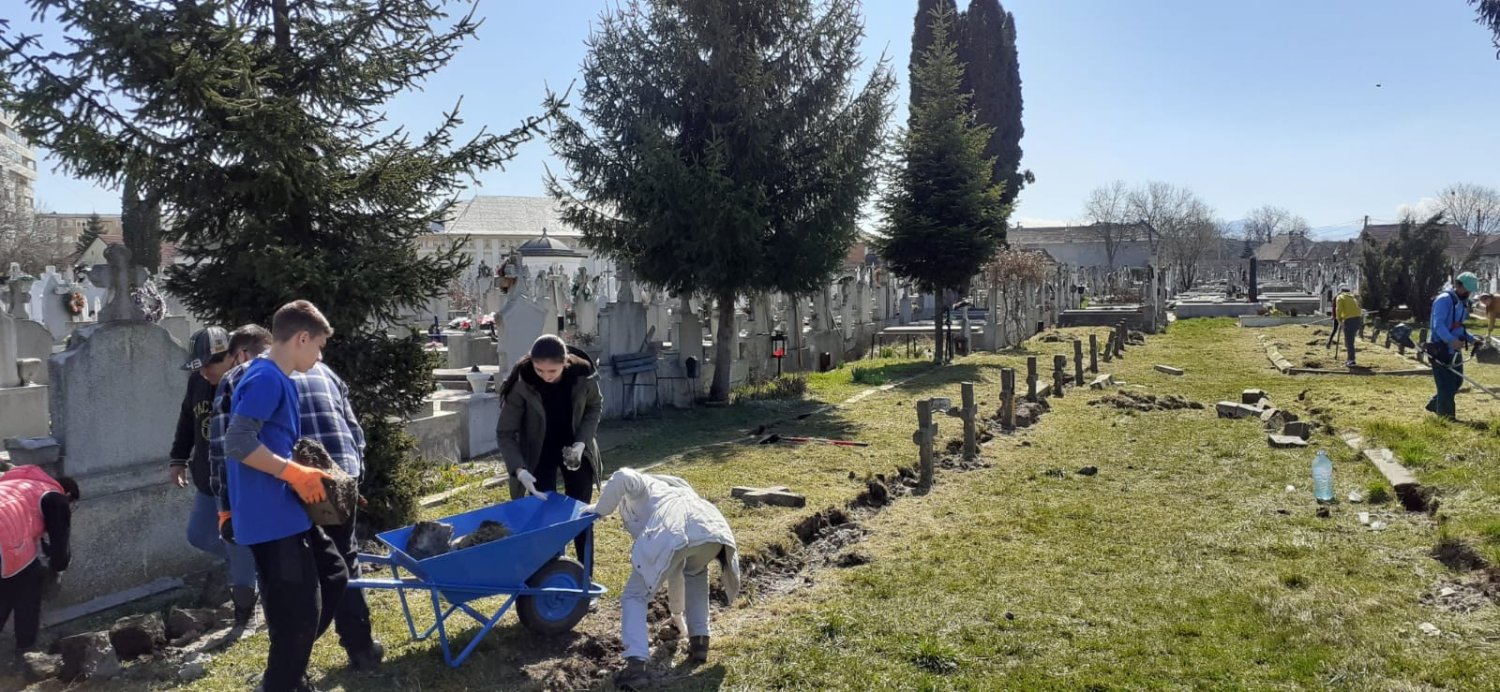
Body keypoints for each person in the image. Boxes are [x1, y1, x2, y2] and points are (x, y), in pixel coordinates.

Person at [221, 301, 345, 692]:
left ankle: (291, 670)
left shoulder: (275, 378)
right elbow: (237, 442)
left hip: (287, 513)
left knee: (333, 576)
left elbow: (264, 441)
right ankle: (282, 682)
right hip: (270, 519)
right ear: (301, 338)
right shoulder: (266, 379)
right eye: (318, 346)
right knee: (297, 614)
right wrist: (292, 471)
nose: (320, 355)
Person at [585, 468, 740, 689]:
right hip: (712, 527)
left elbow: (622, 476)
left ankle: (636, 666)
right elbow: (675, 573)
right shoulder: (675, 488)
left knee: (634, 596)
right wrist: (677, 617)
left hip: (675, 527)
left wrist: (599, 511)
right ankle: (700, 641)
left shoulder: (643, 485)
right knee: (696, 573)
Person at [289, 361, 383, 670]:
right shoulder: (325, 370)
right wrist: (354, 478)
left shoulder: (268, 375)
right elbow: (353, 429)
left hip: (303, 482)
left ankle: (292, 657)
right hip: (343, 473)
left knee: (307, 569)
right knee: (345, 560)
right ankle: (362, 648)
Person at [169, 327, 260, 626]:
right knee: (199, 534)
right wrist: (178, 458)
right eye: (200, 365)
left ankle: (245, 606)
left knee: (237, 539)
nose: (205, 371)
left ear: (233, 358)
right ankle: (256, 559)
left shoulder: (248, 385)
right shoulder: (198, 381)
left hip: (240, 480)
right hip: (208, 479)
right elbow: (187, 418)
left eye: (211, 364)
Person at [496, 334, 603, 559]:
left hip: (576, 451)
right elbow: (505, 433)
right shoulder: (522, 384)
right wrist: (519, 470)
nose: (545, 376)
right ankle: (552, 571)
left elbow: (594, 406)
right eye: (539, 370)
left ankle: (585, 581)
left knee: (581, 514)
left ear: (565, 363)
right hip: (539, 452)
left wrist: (582, 443)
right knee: (546, 517)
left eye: (552, 371)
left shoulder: (583, 376)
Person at [0, 466, 79, 659]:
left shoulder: (16, 485)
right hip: (4, 538)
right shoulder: (55, 497)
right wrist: (57, 571)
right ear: (68, 494)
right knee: (30, 581)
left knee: (11, 584)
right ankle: (25, 652)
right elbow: (60, 545)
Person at [1425, 272, 1484, 420]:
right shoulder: (1444, 300)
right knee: (1446, 384)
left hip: (1454, 349)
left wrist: (1471, 339)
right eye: (1467, 290)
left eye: (1470, 291)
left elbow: (1458, 327)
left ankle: (1435, 404)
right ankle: (1446, 418)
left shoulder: (1462, 302)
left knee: (1457, 382)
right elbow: (1438, 325)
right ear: (1458, 285)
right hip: (1440, 348)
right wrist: (1451, 340)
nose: (1469, 293)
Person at [1333, 286, 1363, 367]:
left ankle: (1351, 360)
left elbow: (1338, 309)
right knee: (1350, 340)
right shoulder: (1352, 297)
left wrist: (1338, 319)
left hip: (1350, 320)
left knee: (1349, 341)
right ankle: (1350, 359)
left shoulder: (1340, 297)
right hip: (1358, 319)